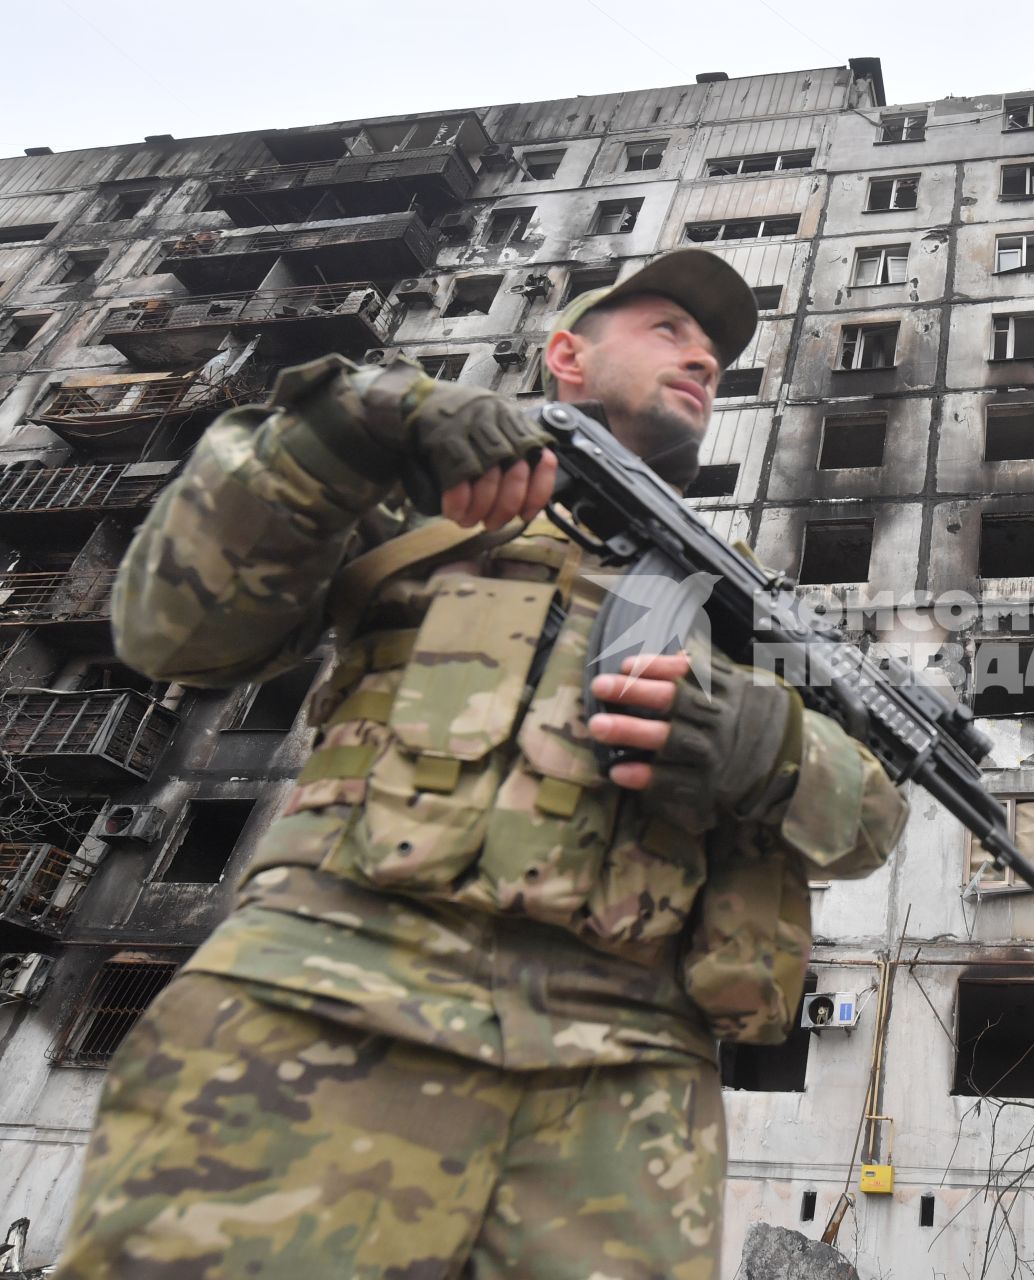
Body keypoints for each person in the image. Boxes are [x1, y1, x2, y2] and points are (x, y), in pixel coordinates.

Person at [57, 249, 909, 1279]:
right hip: (330, 1006)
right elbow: (170, 629)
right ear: (566, 356)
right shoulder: (420, 504)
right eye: (666, 329)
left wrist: (763, 742)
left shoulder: (743, 608)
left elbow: (874, 818)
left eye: (717, 351)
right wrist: (352, 423)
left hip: (625, 1082)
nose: (702, 357)